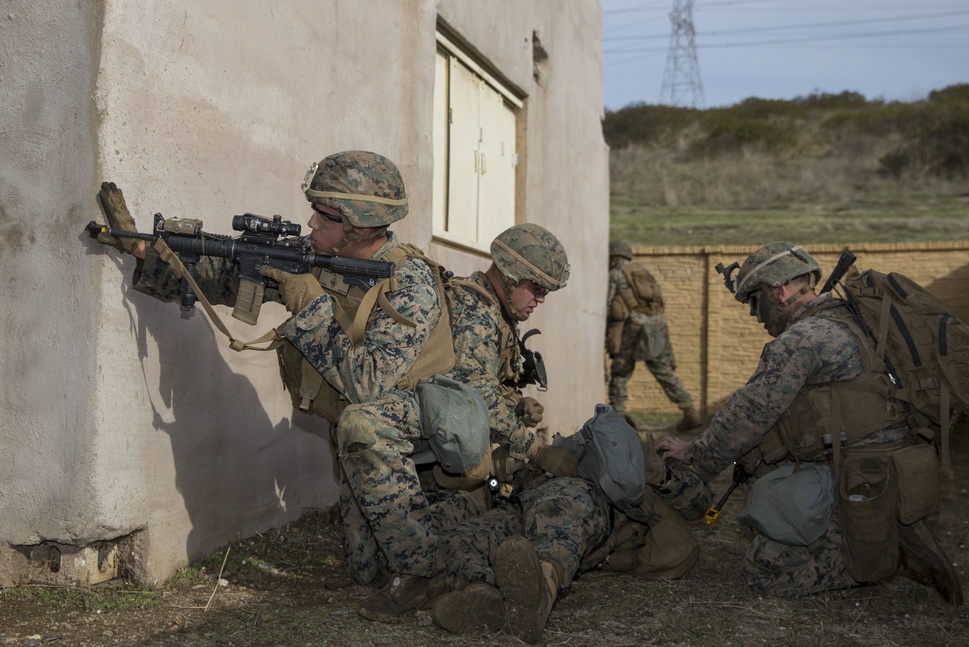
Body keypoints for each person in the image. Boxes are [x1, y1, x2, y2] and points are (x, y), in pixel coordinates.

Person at [94, 151, 469, 599]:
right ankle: (425, 538)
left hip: (421, 417)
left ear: (361, 225)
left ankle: (435, 570)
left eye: (324, 215)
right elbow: (226, 277)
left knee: (361, 425)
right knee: (365, 571)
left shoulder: (408, 283)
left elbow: (370, 384)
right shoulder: (316, 256)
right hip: (365, 429)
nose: (311, 223)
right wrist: (147, 253)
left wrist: (309, 306)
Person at [657, 242, 963, 603]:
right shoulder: (849, 321)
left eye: (756, 301)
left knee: (764, 570)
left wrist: (694, 457)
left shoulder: (803, 339)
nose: (756, 315)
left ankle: (889, 555)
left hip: (861, 478)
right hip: (890, 469)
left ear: (781, 290)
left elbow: (747, 415)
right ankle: (883, 535)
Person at [357, 223, 581, 619]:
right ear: (510, 276)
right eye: (537, 288)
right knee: (373, 563)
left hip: (420, 443)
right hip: (414, 443)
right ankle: (428, 573)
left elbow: (479, 385)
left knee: (369, 565)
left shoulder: (490, 308)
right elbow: (474, 392)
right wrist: (537, 450)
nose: (541, 300)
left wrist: (514, 404)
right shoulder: (477, 311)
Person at [427, 434, 701, 643]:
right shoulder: (580, 446)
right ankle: (482, 594)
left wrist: (661, 475)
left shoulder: (653, 478)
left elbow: (698, 504)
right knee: (461, 538)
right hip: (523, 503)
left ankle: (538, 600)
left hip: (584, 501)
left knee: (558, 508)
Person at [606, 240, 701, 430]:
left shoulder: (616, 274)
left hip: (633, 328)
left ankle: (619, 415)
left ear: (615, 257)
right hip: (657, 326)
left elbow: (608, 304)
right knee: (663, 371)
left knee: (621, 370)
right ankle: (690, 411)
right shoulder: (642, 271)